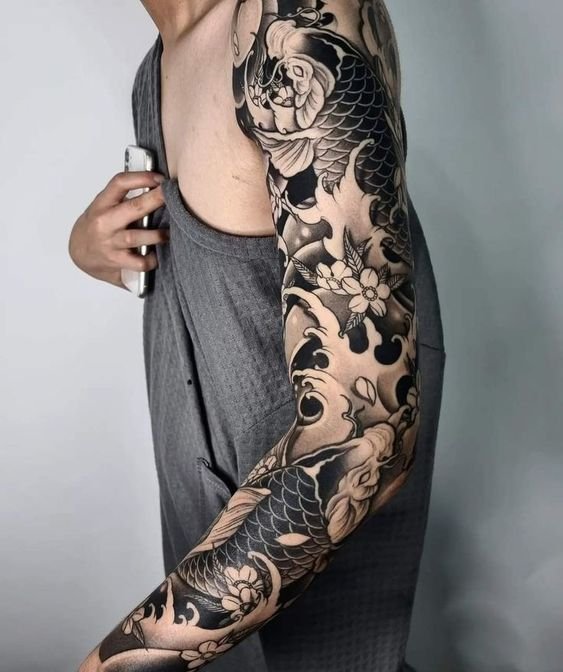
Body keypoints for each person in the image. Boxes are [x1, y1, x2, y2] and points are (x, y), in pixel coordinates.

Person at [69, 1, 446, 670]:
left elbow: (364, 434)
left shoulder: (294, 23)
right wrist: (92, 248)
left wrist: (117, 664)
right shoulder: (158, 67)